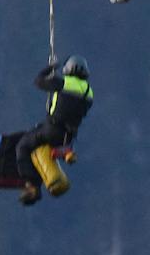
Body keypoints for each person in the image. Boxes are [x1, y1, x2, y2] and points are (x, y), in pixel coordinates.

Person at [15, 55, 93, 206]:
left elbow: (39, 81)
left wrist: (52, 67)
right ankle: (59, 155)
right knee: (39, 145)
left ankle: (32, 186)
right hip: (68, 137)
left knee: (23, 146)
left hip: (52, 130)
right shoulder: (89, 92)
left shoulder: (65, 83)